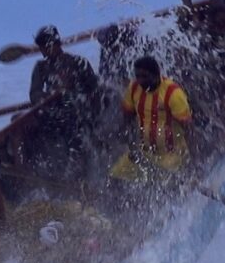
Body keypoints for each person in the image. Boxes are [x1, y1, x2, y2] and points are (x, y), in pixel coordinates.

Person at [28, 25, 100, 180]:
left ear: (56, 44)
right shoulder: (41, 68)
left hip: (78, 114)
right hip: (51, 114)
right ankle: (36, 170)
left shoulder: (78, 63)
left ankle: (76, 173)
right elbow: (34, 95)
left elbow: (94, 92)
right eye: (41, 48)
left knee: (74, 125)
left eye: (45, 47)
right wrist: (50, 95)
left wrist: (72, 92)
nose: (43, 52)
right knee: (27, 125)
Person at [109, 56, 195, 181]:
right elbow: (127, 117)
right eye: (137, 76)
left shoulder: (173, 94)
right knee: (115, 176)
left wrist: (194, 163)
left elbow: (189, 129)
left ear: (156, 75)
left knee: (161, 182)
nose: (140, 81)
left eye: (144, 76)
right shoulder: (134, 89)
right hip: (145, 152)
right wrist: (130, 145)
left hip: (172, 154)